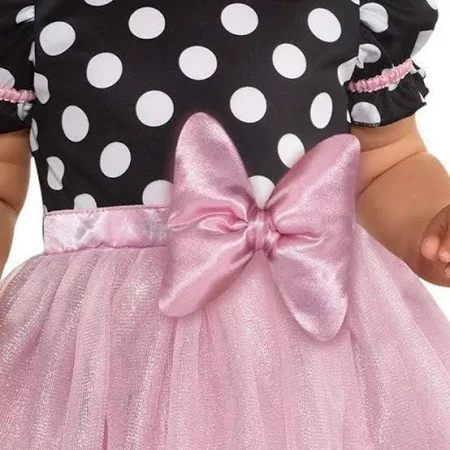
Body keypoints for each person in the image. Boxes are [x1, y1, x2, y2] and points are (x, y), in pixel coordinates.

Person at [1, 0, 450, 448]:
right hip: (107, 344)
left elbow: (388, 162)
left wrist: (430, 226)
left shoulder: (352, 11)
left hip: (306, 323)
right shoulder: (34, 14)